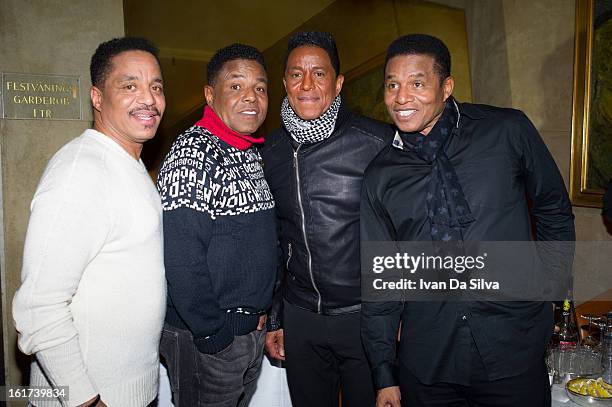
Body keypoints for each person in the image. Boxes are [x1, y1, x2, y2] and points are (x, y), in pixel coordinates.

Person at [360, 34, 575, 407]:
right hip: (428, 360)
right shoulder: (380, 175)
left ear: (446, 87)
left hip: (513, 347)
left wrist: (550, 285)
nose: (401, 97)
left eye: (416, 83)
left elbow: (553, 208)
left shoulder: (507, 131)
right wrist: (383, 372)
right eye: (392, 85)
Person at [12, 37, 167, 407]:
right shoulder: (81, 170)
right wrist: (85, 399)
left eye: (156, 87)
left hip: (130, 394)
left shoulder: (127, 165)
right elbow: (38, 307)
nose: (148, 99)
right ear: (97, 97)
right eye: (130, 86)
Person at [261, 31, 394, 407]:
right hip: (302, 318)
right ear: (284, 82)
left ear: (337, 83)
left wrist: (400, 316)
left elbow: (406, 233)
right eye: (295, 74)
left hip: (365, 318)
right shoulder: (270, 151)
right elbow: (274, 238)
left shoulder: (377, 141)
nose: (306, 85)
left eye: (319, 74)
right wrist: (276, 317)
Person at [156, 43, 276, 407]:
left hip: (244, 335)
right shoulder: (193, 152)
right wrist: (213, 334)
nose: (250, 97)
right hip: (208, 339)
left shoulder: (248, 151)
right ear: (211, 95)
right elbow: (180, 256)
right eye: (236, 86)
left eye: (260, 87)